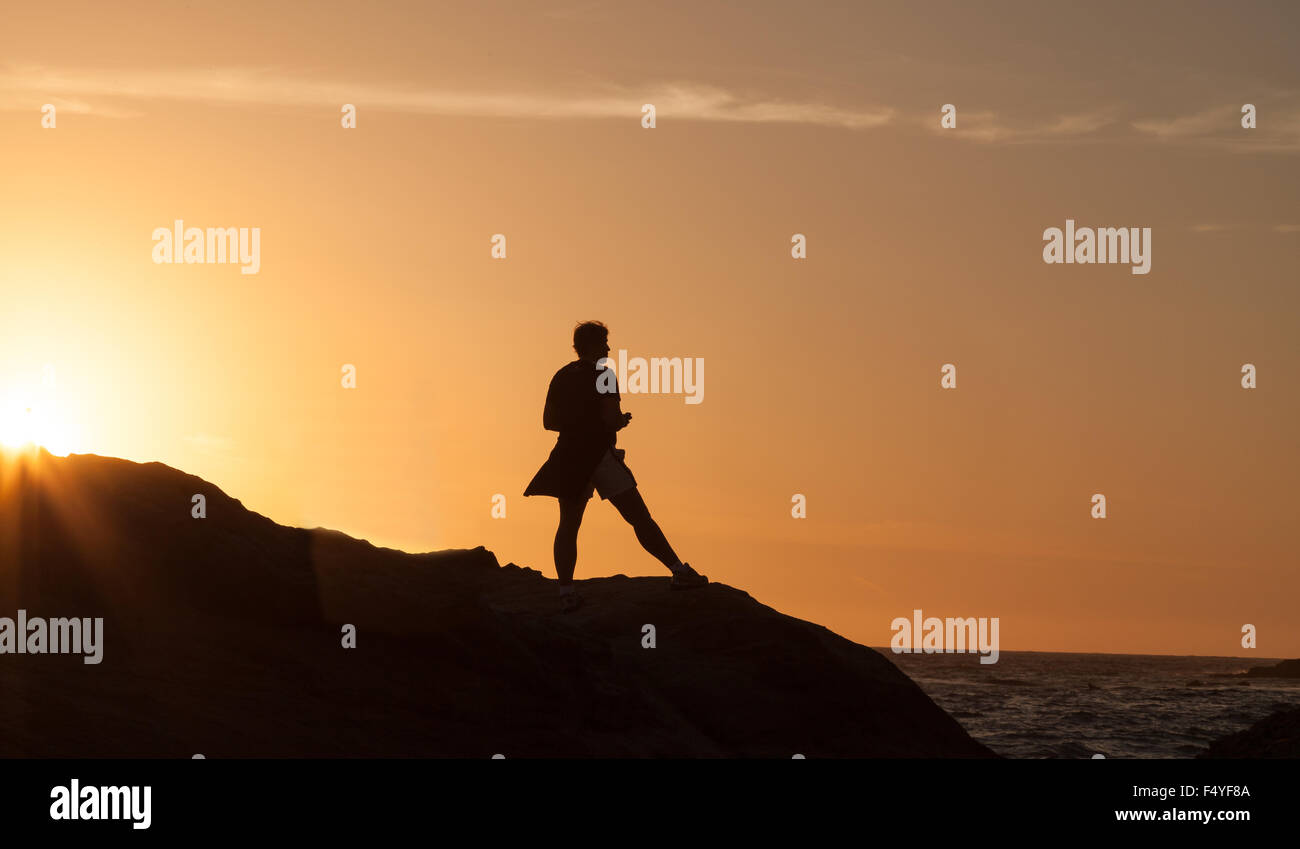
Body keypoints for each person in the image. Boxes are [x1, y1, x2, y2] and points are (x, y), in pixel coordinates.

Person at [524, 321, 707, 612]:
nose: (609, 348)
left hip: (569, 456)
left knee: (568, 525)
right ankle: (679, 571)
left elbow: (549, 422)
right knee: (639, 517)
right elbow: (611, 419)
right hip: (599, 455)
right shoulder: (604, 374)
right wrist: (619, 421)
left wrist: (578, 424)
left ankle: (566, 592)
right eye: (605, 343)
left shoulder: (561, 375)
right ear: (595, 345)